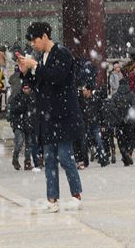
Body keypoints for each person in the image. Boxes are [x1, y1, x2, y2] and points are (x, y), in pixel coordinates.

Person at [18, 22, 84, 213]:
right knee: (49, 160)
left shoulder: (62, 53)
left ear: (45, 36)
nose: (33, 45)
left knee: (65, 157)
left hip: (63, 115)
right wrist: (25, 71)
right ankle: (52, 199)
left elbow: (57, 78)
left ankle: (76, 195)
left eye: (35, 41)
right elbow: (35, 84)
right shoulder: (41, 57)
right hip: (47, 117)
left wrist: (36, 66)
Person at [7, 82, 37, 171]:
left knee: (29, 143)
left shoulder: (33, 97)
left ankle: (27, 162)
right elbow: (14, 109)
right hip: (19, 123)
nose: (26, 90)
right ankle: (15, 158)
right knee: (19, 142)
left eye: (28, 88)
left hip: (29, 123)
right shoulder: (17, 97)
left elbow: (35, 111)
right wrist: (23, 104)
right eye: (25, 88)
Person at [79, 85, 109, 167]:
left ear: (89, 91)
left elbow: (102, 112)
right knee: (84, 144)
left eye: (84, 90)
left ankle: (103, 159)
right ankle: (85, 161)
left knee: (99, 141)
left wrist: (103, 124)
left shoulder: (96, 100)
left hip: (95, 124)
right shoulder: (82, 100)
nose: (83, 91)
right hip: (85, 125)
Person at [112, 82, 135, 166]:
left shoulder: (115, 96)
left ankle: (124, 153)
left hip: (119, 123)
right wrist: (128, 117)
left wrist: (119, 118)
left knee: (121, 140)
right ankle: (129, 153)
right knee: (131, 138)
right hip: (130, 122)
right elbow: (134, 107)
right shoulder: (132, 95)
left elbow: (113, 108)